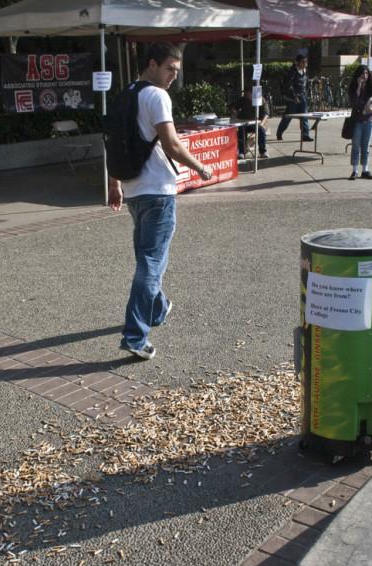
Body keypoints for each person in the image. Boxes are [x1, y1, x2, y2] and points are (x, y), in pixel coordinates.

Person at [107, 42, 214, 360]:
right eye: (169, 68)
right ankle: (135, 336)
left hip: (135, 191)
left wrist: (114, 182)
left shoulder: (125, 94)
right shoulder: (156, 95)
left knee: (147, 261)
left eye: (176, 71)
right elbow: (172, 144)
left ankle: (158, 307)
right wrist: (201, 168)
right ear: (151, 64)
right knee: (152, 264)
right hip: (158, 190)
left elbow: (111, 142)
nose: (172, 77)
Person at [347, 65, 372, 181]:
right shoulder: (353, 87)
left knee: (365, 147)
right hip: (357, 120)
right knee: (356, 146)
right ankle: (355, 170)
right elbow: (353, 102)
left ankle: (365, 170)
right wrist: (357, 86)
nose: (365, 76)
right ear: (358, 75)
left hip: (368, 120)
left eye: (366, 73)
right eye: (362, 73)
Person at [275, 54, 313, 142]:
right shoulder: (292, 72)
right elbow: (288, 85)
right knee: (288, 116)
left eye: (305, 62)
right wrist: (294, 96)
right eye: (303, 62)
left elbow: (305, 83)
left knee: (304, 116)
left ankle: (305, 135)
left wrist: (306, 92)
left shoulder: (304, 70)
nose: (305, 63)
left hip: (302, 96)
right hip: (293, 98)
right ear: (297, 62)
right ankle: (279, 132)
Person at [230, 87, 268, 159]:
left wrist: (262, 124)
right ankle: (241, 152)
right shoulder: (243, 100)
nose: (245, 94)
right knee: (240, 130)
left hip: (256, 123)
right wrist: (234, 111)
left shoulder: (260, 100)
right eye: (245, 93)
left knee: (261, 130)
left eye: (247, 93)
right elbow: (234, 107)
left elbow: (266, 114)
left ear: (252, 93)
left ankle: (263, 151)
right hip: (244, 123)